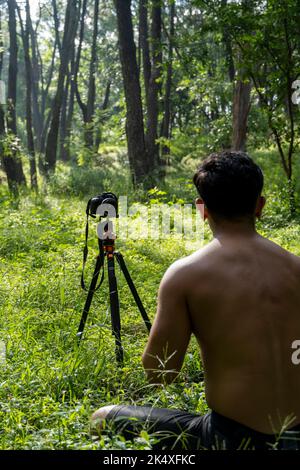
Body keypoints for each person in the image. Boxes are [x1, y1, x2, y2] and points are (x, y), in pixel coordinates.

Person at [91, 151, 300, 450]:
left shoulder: (186, 275)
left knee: (102, 418)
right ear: (260, 206)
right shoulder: (296, 267)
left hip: (230, 437)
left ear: (202, 209)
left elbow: (160, 373)